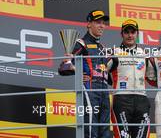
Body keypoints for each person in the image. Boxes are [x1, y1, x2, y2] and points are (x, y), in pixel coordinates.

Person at [59, 10, 111, 138]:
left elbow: (108, 75)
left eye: (103, 23)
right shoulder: (81, 43)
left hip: (105, 91)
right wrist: (77, 71)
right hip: (90, 89)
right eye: (98, 22)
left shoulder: (103, 48)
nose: (102, 26)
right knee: (90, 128)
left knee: (104, 131)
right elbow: (63, 68)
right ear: (89, 24)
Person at [107, 19, 151, 138]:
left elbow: (153, 78)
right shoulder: (114, 53)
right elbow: (101, 72)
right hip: (121, 99)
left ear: (137, 34)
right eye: (126, 32)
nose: (130, 35)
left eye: (133, 32)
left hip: (141, 99)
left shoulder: (144, 54)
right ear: (122, 34)